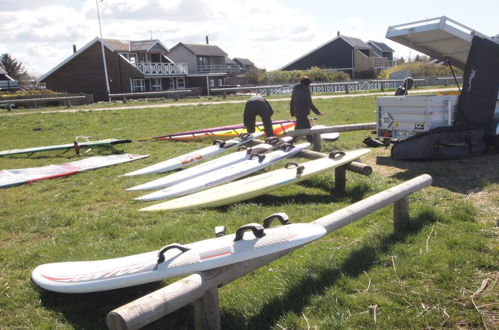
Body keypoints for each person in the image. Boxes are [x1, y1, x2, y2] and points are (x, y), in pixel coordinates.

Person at [290, 76, 323, 142]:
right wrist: (318, 112)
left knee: (308, 128)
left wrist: (292, 112)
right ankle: (291, 142)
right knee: (298, 129)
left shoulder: (295, 88)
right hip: (303, 113)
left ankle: (311, 141)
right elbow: (310, 103)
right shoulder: (306, 90)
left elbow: (292, 100)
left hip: (296, 111)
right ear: (307, 84)